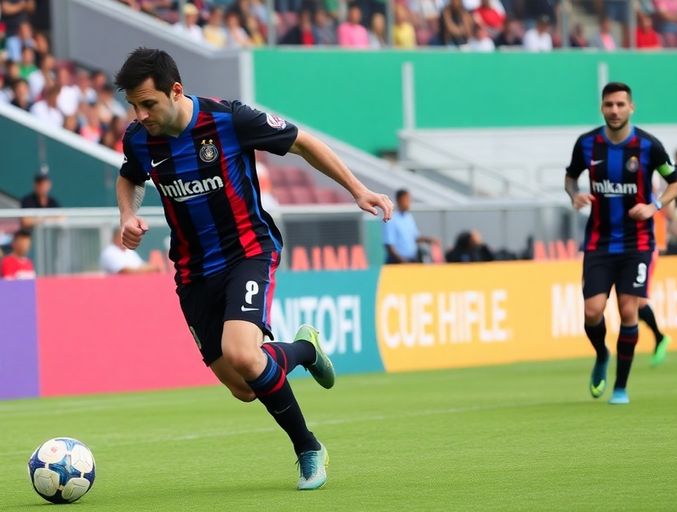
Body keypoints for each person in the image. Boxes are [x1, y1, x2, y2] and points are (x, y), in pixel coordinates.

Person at [113, 48, 393, 490]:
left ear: (176, 90)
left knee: (245, 354)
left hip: (248, 252)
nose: (140, 113)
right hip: (192, 271)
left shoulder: (229, 120)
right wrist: (128, 215)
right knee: (244, 386)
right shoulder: (138, 138)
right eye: (134, 105)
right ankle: (304, 350)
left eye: (148, 103)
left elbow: (303, 142)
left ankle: (308, 448)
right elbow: (130, 176)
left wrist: (358, 189)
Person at [564, 82, 677, 405]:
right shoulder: (586, 144)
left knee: (629, 308)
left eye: (620, 105)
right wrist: (573, 194)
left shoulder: (649, 147)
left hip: (638, 242)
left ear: (631, 108)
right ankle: (601, 354)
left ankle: (620, 387)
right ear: (602, 108)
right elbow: (570, 176)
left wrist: (654, 206)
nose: (614, 110)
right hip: (599, 242)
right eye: (609, 105)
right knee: (592, 311)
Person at [383, 189, 436, 263]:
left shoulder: (408, 217)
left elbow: (415, 237)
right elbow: (389, 246)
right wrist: (403, 262)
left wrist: (429, 240)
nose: (409, 202)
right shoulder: (391, 219)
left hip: (411, 261)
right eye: (406, 199)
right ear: (399, 200)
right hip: (397, 263)